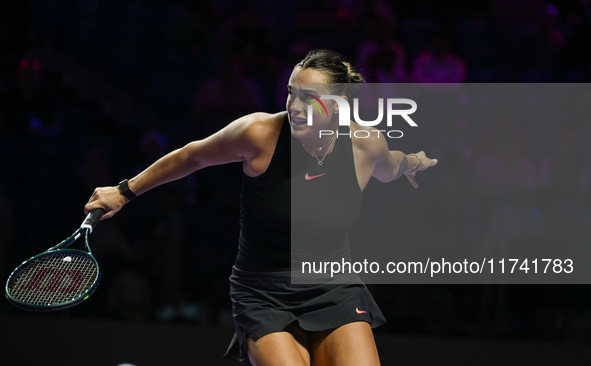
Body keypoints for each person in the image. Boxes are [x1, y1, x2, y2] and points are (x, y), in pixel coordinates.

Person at [85, 49, 437, 366]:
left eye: (309, 99)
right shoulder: (259, 134)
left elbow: (391, 166)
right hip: (263, 292)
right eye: (291, 94)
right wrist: (124, 191)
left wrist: (413, 162)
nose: (295, 107)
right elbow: (192, 155)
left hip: (333, 286)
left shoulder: (366, 145)